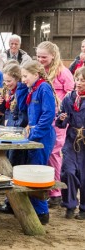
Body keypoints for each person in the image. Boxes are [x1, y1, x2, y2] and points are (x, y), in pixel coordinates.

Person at [36, 41, 75, 207]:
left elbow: (71, 96)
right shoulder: (39, 71)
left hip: (57, 121)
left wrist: (61, 110)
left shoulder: (63, 73)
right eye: (38, 56)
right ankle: (45, 187)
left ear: (53, 55)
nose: (40, 59)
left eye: (44, 57)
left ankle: (56, 193)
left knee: (54, 152)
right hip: (43, 119)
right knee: (43, 151)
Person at [21, 60, 57, 225]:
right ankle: (36, 209)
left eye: (25, 76)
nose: (23, 80)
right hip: (35, 133)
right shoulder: (33, 88)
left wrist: (34, 133)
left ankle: (42, 212)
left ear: (36, 74)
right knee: (31, 170)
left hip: (42, 136)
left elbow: (48, 115)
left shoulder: (43, 88)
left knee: (37, 172)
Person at [0, 62, 28, 214]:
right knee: (8, 163)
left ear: (17, 78)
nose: (6, 84)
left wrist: (18, 90)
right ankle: (10, 202)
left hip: (17, 132)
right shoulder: (7, 91)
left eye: (9, 81)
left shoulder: (21, 91)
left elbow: (20, 112)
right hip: (9, 131)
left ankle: (14, 204)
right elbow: (3, 110)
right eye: (5, 81)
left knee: (15, 166)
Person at [55, 67, 85, 220]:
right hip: (72, 140)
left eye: (83, 80)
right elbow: (61, 122)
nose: (79, 83)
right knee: (68, 171)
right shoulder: (69, 98)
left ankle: (84, 209)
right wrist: (61, 118)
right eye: (77, 79)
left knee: (84, 175)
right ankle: (69, 205)